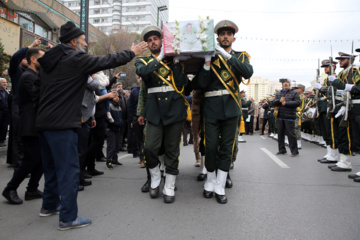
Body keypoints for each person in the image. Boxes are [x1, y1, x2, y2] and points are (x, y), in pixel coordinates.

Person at [34, 21, 147, 230]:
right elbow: (104, 60)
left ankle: (49, 205)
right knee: (69, 170)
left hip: (44, 121)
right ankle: (68, 217)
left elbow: (37, 88)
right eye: (83, 41)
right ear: (73, 40)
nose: (85, 45)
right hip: (62, 122)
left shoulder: (50, 60)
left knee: (50, 166)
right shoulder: (73, 57)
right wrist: (131, 52)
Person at [192, 20, 253, 204]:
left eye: (229, 33)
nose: (225, 36)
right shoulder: (208, 56)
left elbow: (247, 72)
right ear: (217, 37)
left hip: (231, 107)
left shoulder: (241, 56)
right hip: (210, 107)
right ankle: (210, 181)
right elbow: (200, 84)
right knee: (210, 147)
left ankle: (220, 184)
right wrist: (208, 62)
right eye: (222, 34)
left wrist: (226, 55)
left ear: (234, 37)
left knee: (227, 148)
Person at [135, 25, 189, 204]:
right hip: (154, 111)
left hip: (174, 109)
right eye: (149, 40)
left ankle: (170, 186)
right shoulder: (142, 61)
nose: (152, 42)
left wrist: (175, 62)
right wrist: (162, 57)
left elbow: (183, 85)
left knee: (172, 150)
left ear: (162, 40)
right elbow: (143, 73)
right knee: (150, 147)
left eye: (155, 39)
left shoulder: (175, 61)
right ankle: (156, 178)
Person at [2, 48, 45, 204]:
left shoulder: (36, 75)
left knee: (40, 159)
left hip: (38, 124)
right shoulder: (27, 76)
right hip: (29, 124)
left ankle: (32, 189)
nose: (44, 62)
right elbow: (39, 96)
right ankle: (10, 188)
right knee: (30, 159)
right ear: (33, 60)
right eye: (42, 58)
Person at [326, 52, 358, 172]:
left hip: (352, 105)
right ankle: (343, 160)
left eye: (342, 59)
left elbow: (346, 87)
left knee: (348, 135)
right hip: (344, 104)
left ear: (350, 60)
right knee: (342, 134)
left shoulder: (354, 70)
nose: (340, 61)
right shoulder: (343, 72)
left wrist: (335, 82)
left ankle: (345, 162)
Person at [315, 59, 338, 163]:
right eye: (324, 67)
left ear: (333, 67)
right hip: (323, 108)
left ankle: (333, 155)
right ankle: (329, 153)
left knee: (330, 131)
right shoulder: (326, 79)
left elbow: (333, 91)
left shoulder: (335, 78)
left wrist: (322, 89)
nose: (325, 69)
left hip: (330, 106)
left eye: (327, 67)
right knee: (325, 131)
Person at [272, 79, 301, 157]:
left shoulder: (294, 92)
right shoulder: (279, 93)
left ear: (289, 84)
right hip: (280, 117)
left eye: (287, 83)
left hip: (289, 117)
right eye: (284, 83)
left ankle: (294, 151)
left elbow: (298, 102)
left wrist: (286, 103)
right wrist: (279, 101)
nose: (285, 84)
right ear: (282, 84)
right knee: (280, 134)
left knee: (291, 134)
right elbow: (273, 103)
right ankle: (282, 150)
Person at [105, 94, 123, 169]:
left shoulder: (118, 106)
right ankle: (108, 160)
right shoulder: (109, 105)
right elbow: (108, 117)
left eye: (118, 96)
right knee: (111, 146)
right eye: (115, 96)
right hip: (111, 128)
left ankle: (115, 159)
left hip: (117, 128)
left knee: (116, 145)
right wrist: (113, 123)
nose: (117, 98)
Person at [294, 84, 305, 149]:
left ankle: (298, 143)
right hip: (295, 113)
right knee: (294, 129)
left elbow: (301, 107)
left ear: (301, 89)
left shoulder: (301, 96)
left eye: (297, 88)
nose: (296, 90)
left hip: (298, 114)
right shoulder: (298, 96)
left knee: (297, 128)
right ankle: (296, 142)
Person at [0, 78, 9, 147]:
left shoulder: (6, 92)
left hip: (6, 112)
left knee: (4, 126)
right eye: (3, 82)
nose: (5, 84)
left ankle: (2, 140)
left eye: (5, 82)